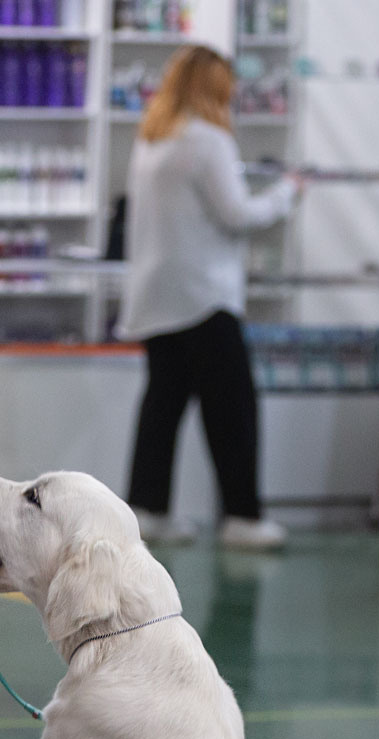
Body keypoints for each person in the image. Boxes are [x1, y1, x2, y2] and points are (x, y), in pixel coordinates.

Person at [117, 44, 298, 552]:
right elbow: (238, 214)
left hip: (157, 295)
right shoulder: (209, 139)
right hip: (204, 297)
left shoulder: (153, 138)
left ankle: (148, 509)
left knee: (162, 407)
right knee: (233, 409)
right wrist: (287, 193)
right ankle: (243, 515)